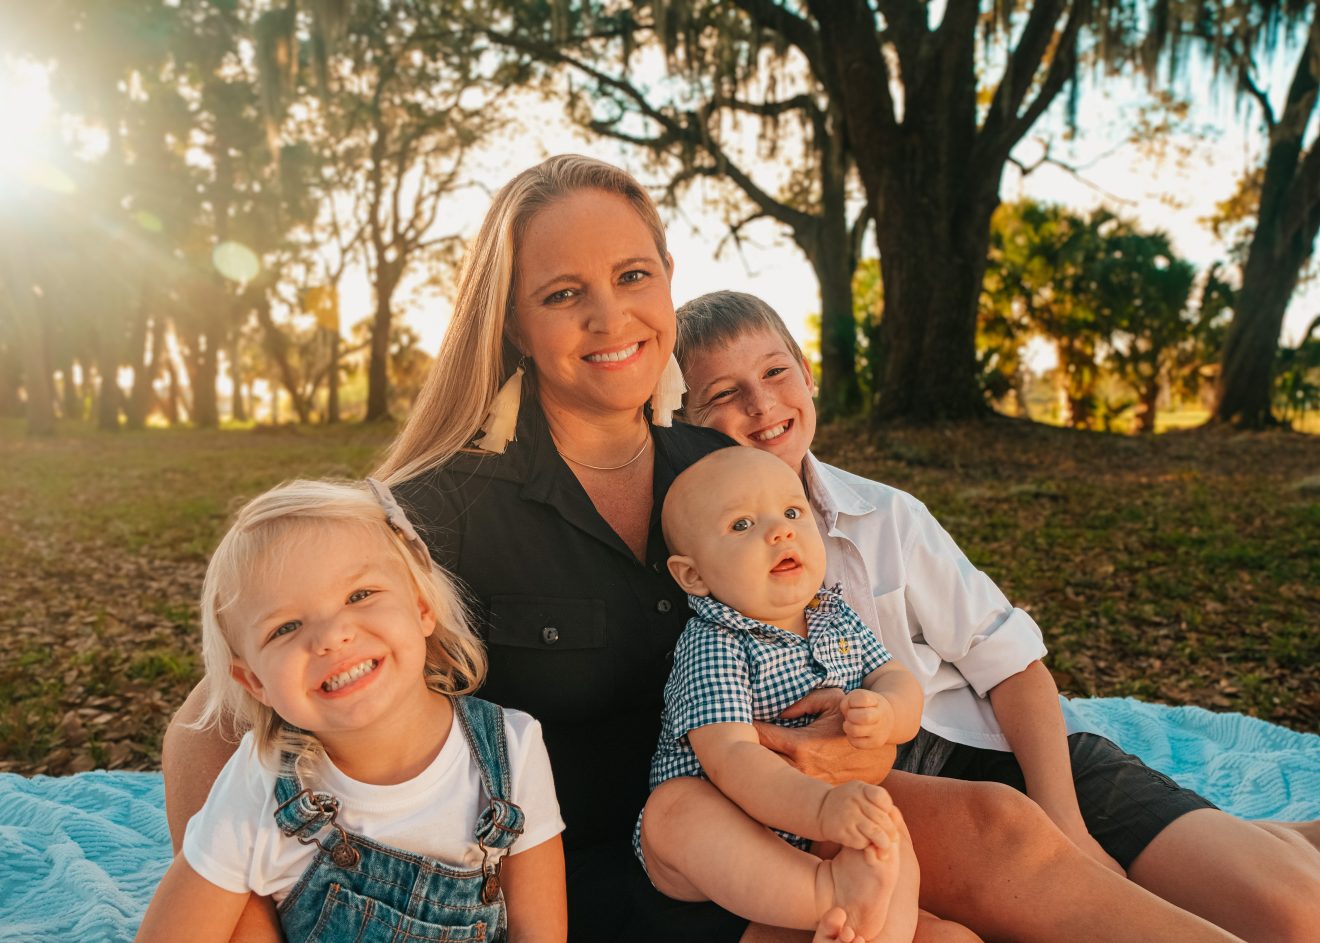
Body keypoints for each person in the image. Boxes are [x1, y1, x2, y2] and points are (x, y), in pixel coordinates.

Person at [162, 155, 1247, 943]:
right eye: (563, 293)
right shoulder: (436, 510)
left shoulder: (718, 470)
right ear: (514, 324)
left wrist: (868, 725)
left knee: (1001, 832)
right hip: (598, 877)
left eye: (634, 276)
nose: (609, 315)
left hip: (786, 810)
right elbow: (205, 728)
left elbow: (829, 613)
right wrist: (247, 914)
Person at [672, 288, 1320, 943]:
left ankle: (1261, 842)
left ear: (809, 374)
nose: (761, 404)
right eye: (723, 393)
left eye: (776, 371)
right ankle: (1261, 842)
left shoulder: (888, 517)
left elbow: (1013, 667)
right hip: (900, 809)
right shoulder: (698, 562)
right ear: (686, 421)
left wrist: (1065, 818)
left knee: (1297, 914)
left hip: (1012, 755)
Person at [139, 479, 566, 943]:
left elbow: (539, 931)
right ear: (256, 683)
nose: (330, 636)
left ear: (422, 608)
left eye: (360, 595)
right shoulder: (258, 785)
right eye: (285, 627)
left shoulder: (511, 751)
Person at [639, 446, 935, 942]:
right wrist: (820, 808)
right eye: (741, 525)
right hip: (725, 838)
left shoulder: (832, 615)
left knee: (886, 829)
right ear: (693, 576)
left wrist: (888, 712)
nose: (780, 531)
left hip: (819, 817)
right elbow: (730, 757)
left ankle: (872, 932)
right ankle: (827, 893)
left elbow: (896, 678)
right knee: (673, 809)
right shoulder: (716, 641)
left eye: (792, 512)